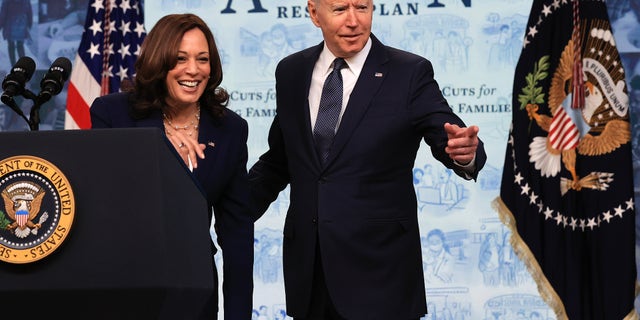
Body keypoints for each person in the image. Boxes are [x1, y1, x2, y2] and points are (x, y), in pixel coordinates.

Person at [248, 0, 487, 319]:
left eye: (362, 7)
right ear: (313, 13)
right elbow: (282, 159)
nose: (353, 21)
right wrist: (228, 207)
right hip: (310, 275)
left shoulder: (409, 72)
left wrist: (465, 153)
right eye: (340, 9)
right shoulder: (291, 72)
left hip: (381, 274)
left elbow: (447, 131)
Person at [89, 13, 253, 319]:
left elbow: (237, 231)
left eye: (202, 59)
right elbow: (104, 205)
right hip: (124, 284)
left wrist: (238, 314)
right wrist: (161, 151)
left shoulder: (230, 128)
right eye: (180, 58)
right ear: (158, 61)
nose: (193, 70)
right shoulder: (113, 113)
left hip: (194, 289)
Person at [0, 0, 33, 66]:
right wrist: (29, 24)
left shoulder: (6, 1)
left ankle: (13, 65)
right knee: (20, 46)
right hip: (22, 25)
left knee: (11, 46)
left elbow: (2, 15)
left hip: (9, 27)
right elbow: (29, 13)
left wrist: (1, 26)